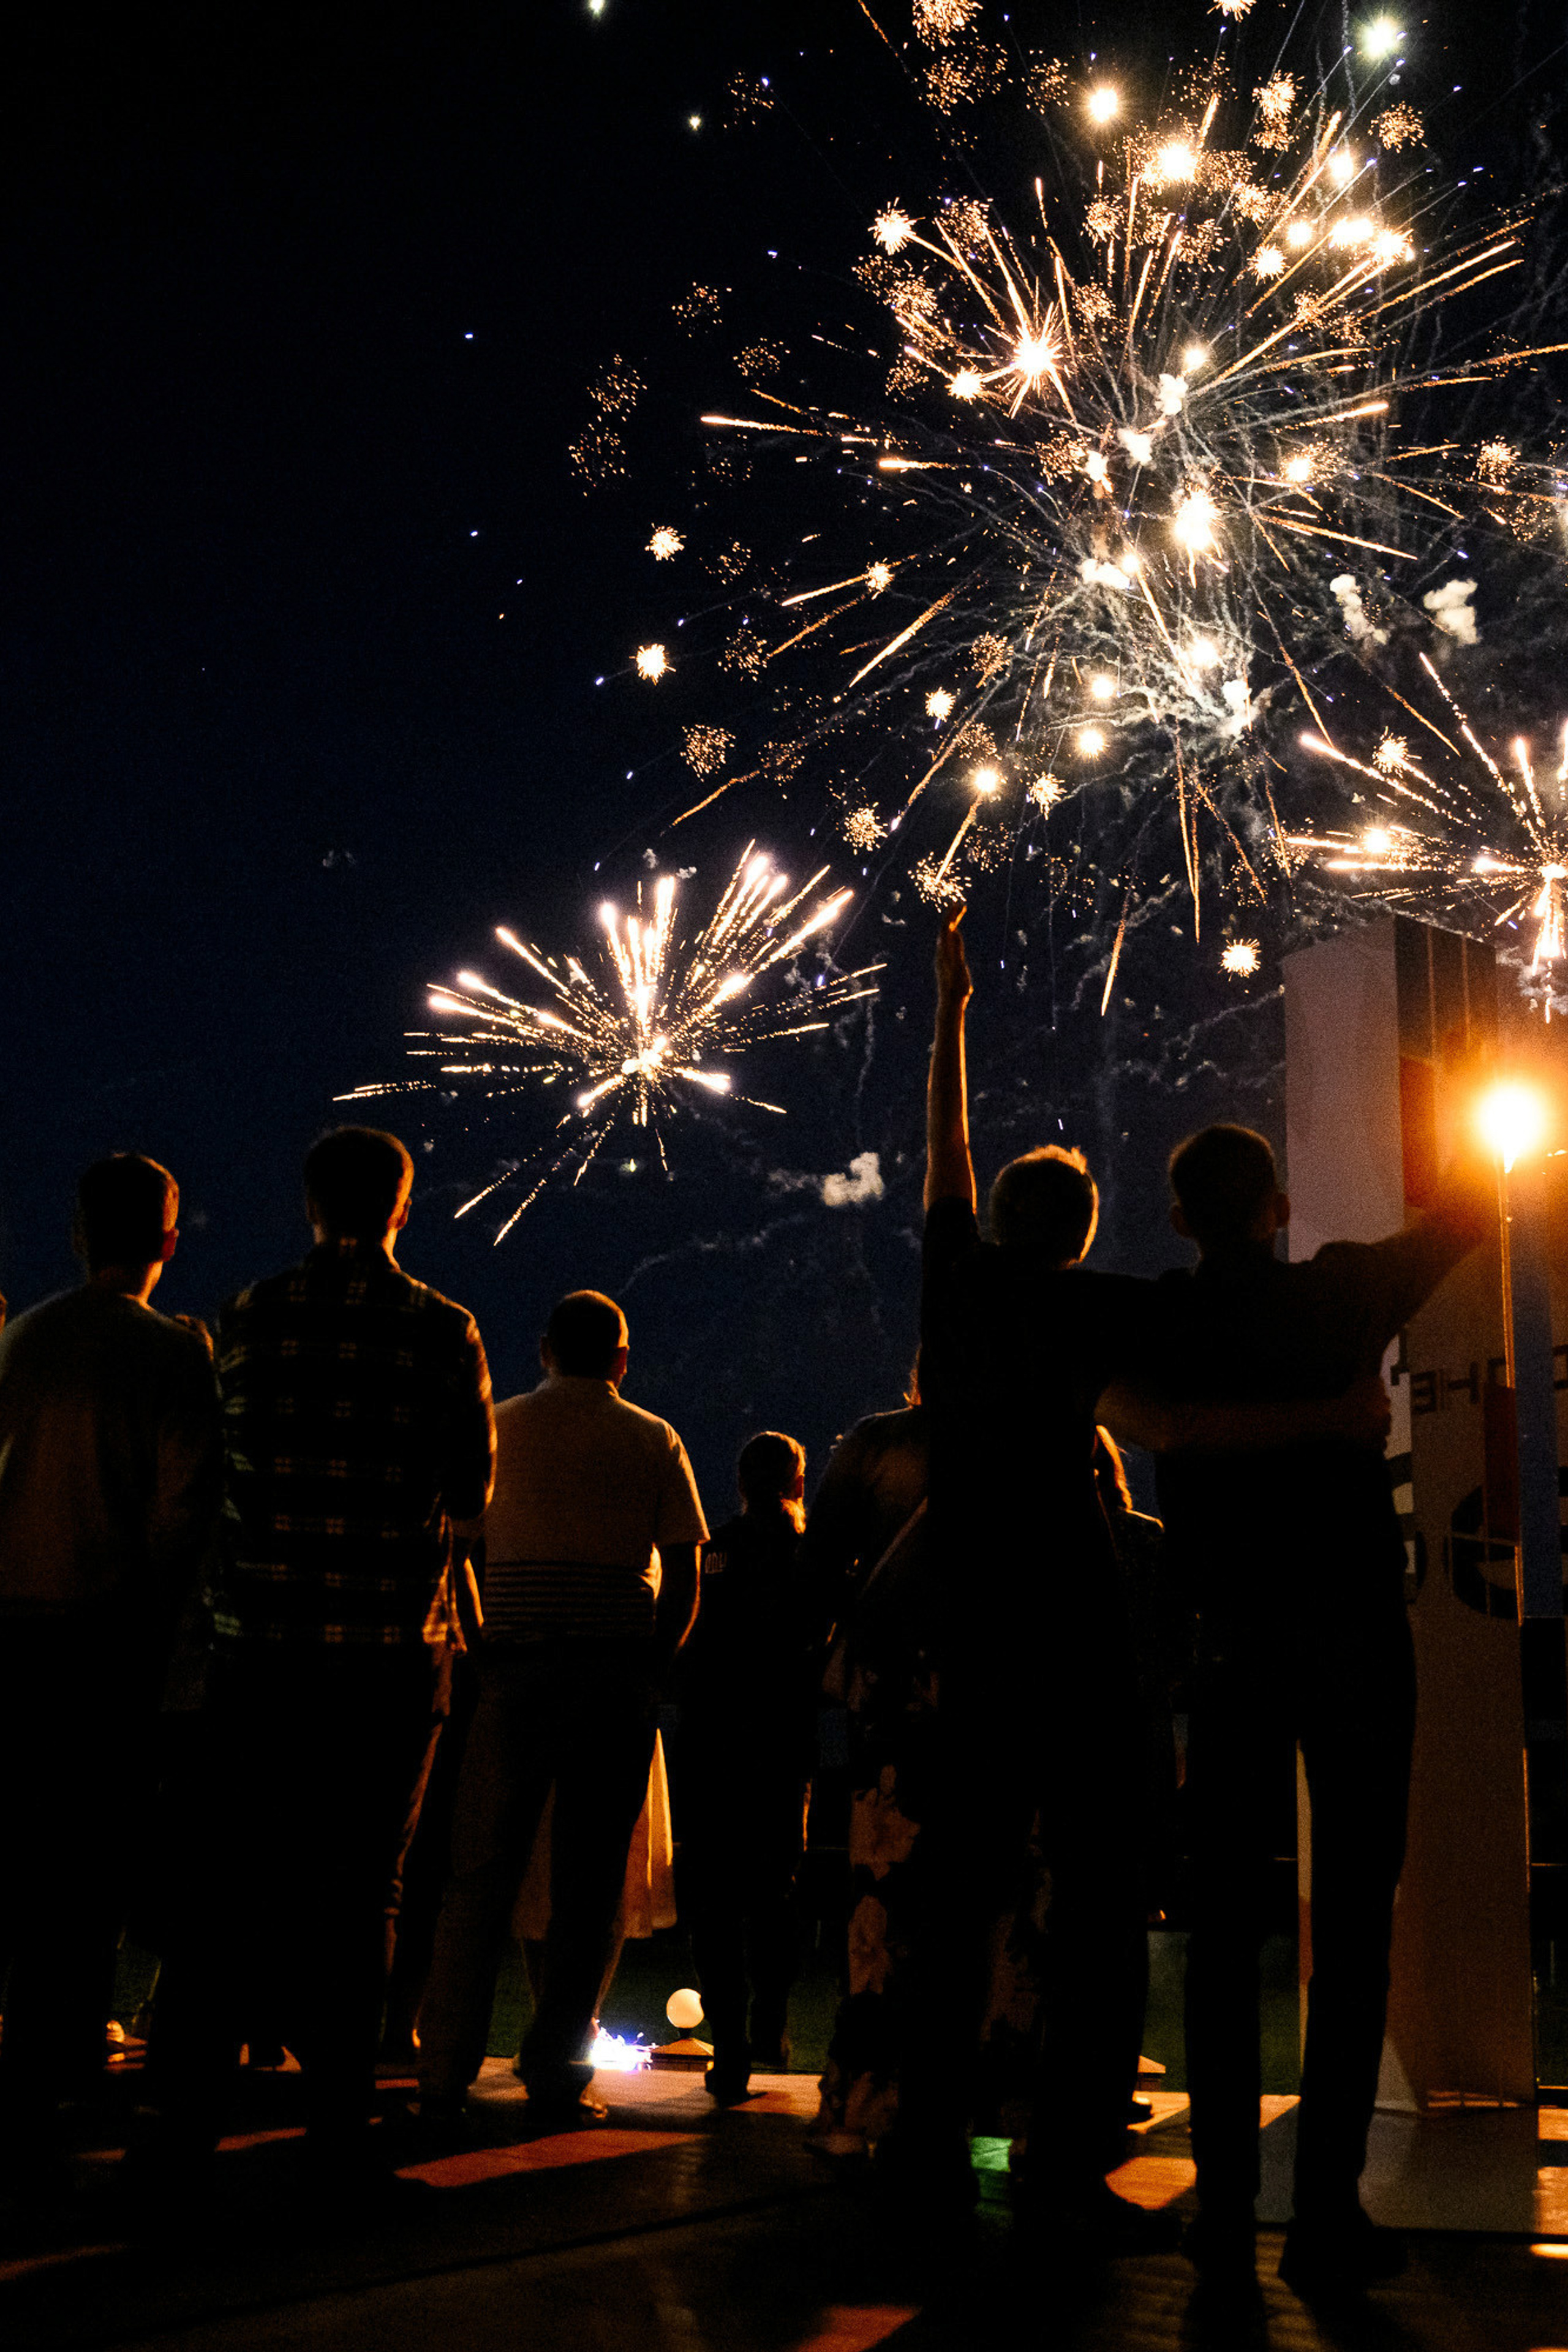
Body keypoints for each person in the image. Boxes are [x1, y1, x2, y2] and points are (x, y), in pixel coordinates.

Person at [903, 913, 1392, 2250]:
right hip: (1075, 1618)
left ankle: (928, 2137)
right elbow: (1180, 1410)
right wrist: (1333, 1412)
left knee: (962, 1885)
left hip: (971, 1613)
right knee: (1104, 1889)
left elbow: (939, 1146)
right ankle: (1074, 2143)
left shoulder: (949, 1288)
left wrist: (947, 1006)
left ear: (992, 1218)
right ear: (1093, 1228)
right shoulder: (1098, 1308)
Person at [1148, 1121, 1490, 2294]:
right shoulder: (1345, 1290)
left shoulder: (1165, 1323)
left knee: (1223, 1938)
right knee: (1352, 1921)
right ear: (1280, 1208)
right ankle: (1326, 2210)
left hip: (1228, 1647)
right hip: (1350, 1638)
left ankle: (1226, 2209)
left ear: (1182, 1219)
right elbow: (1460, 1221)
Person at [149, 1126, 494, 2190]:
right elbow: (473, 1502)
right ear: (402, 1208)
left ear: (308, 1205)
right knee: (363, 1893)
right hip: (393, 1656)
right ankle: (339, 2129)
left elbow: (215, 1475)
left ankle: (185, 2125)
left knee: (227, 1887)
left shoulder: (249, 1316)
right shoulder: (446, 1331)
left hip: (259, 1650)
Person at [416, 1289, 705, 2124]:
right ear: (621, 1359)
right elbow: (685, 1568)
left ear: (543, 1349)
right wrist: (653, 1662)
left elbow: (459, 1545)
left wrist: (480, 1637)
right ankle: (553, 2069)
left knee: (481, 1874)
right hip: (614, 1676)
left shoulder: (499, 1426)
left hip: (515, 1669)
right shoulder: (655, 1438)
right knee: (590, 1889)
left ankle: (444, 2069)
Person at [0, 1154, 219, 2192]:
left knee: (27, 1857)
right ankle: (63, 2063)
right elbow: (184, 1511)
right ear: (169, 1243)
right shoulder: (174, 1356)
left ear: (80, 1233)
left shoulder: (23, 1340)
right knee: (91, 1867)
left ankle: (28, 2062)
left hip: (16, 1632)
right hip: (112, 1637)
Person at [680, 1430, 820, 2103]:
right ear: (798, 1484)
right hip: (782, 1740)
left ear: (739, 1483)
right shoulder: (809, 1557)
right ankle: (771, 2021)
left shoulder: (717, 1553)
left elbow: (690, 1642)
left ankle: (729, 2041)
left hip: (712, 1741)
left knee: (712, 1898)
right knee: (773, 1888)